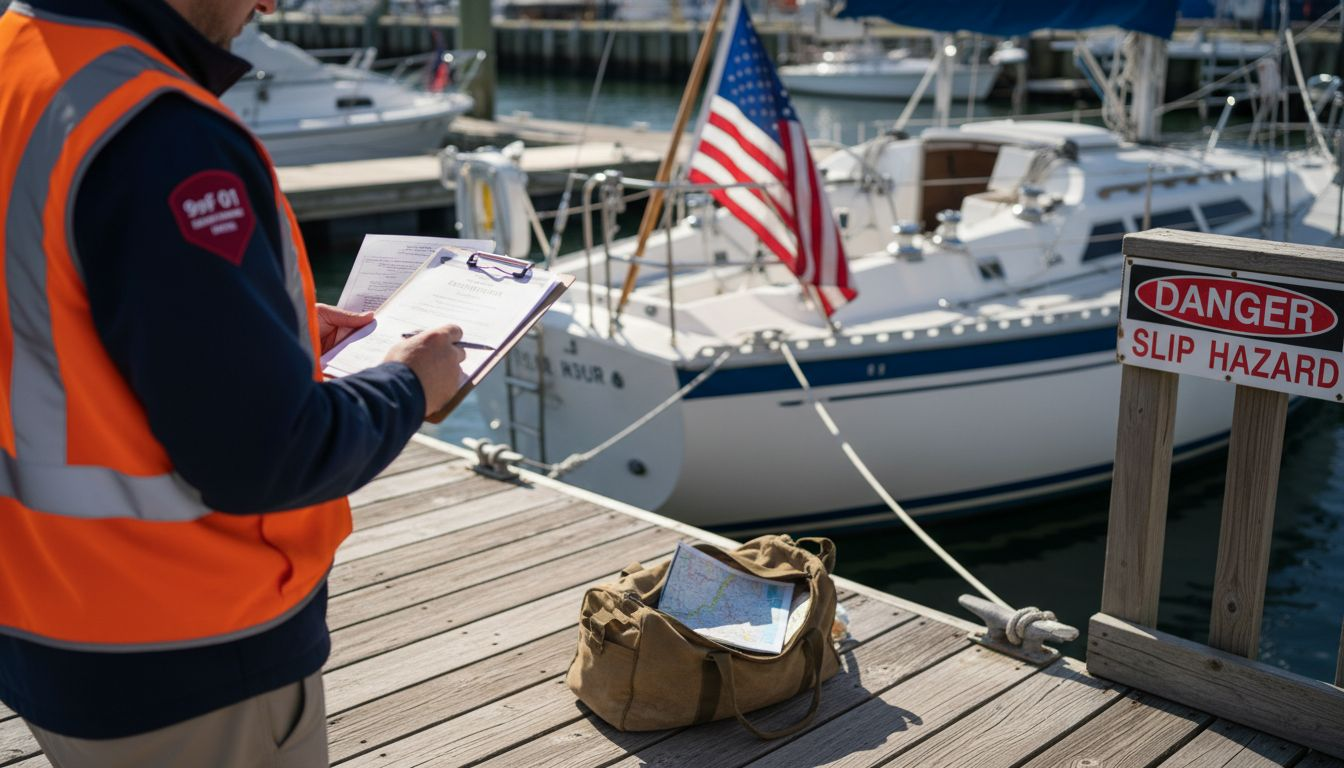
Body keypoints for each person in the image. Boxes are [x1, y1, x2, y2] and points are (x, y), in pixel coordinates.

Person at [0, 0, 467, 765]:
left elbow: (44, 312)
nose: (270, 3)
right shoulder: (161, 131)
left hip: (44, 615)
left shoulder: (16, 63)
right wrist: (412, 384)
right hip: (186, 641)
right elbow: (266, 453)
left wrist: (256, 326)